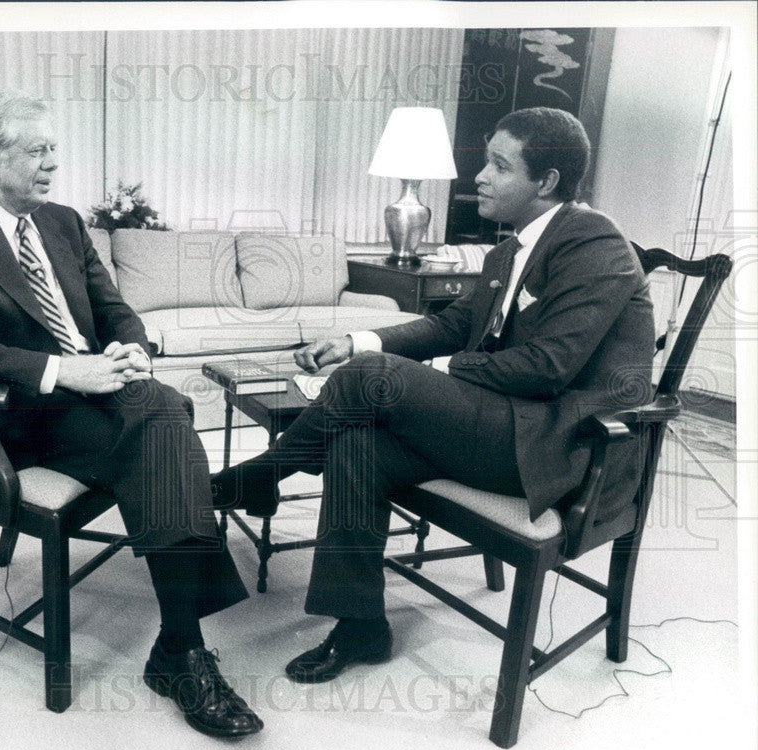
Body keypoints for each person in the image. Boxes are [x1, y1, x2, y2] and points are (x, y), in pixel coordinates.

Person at [212, 107, 655, 684]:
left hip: (559, 446)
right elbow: (452, 325)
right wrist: (356, 339)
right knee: (359, 442)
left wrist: (422, 370)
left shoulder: (594, 242)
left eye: (499, 166)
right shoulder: (508, 250)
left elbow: (548, 368)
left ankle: (266, 473)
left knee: (376, 377)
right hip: (504, 424)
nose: (480, 178)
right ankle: (361, 625)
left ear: (546, 182)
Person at [0, 89, 262, 738]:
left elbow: (112, 306)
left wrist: (131, 342)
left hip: (87, 398)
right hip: (8, 417)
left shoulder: (64, 222)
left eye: (54, 149)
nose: (53, 163)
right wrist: (58, 369)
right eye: (37, 150)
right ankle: (181, 651)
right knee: (168, 416)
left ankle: (180, 646)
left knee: (159, 417)